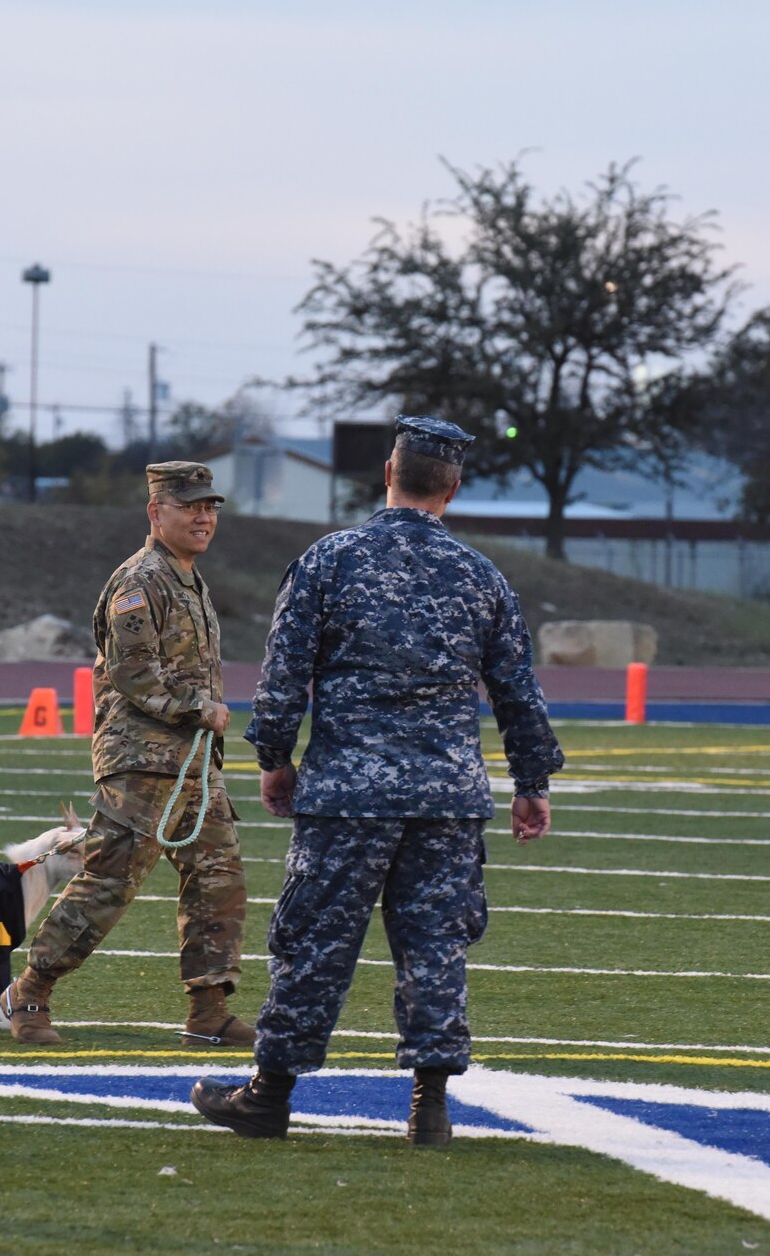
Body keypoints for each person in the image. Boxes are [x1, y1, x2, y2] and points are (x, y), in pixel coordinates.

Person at [191, 415, 563, 1147]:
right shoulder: (480, 575)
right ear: (452, 486)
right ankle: (430, 1104)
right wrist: (531, 781)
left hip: (347, 795)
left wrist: (273, 758)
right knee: (435, 949)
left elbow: (283, 676)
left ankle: (269, 1095)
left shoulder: (330, 559)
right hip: (447, 800)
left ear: (387, 472)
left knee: (313, 943)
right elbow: (518, 689)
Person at [0, 461, 254, 1049]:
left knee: (219, 877)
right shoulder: (140, 582)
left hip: (190, 764)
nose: (202, 516)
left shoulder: (188, 580)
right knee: (111, 881)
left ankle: (209, 1009)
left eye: (210, 506)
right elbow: (134, 674)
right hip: (141, 760)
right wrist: (201, 707)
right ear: (154, 512)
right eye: (189, 505)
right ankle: (29, 992)